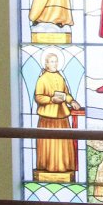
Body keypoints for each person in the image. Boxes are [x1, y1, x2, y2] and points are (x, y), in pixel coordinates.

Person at [33, 52, 81, 180]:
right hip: (47, 117)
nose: (55, 64)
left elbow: (66, 93)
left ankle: (63, 168)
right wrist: (51, 100)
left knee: (63, 143)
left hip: (62, 116)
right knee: (49, 143)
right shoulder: (42, 79)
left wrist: (72, 101)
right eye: (52, 61)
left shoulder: (60, 77)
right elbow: (38, 97)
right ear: (46, 64)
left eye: (56, 61)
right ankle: (48, 168)